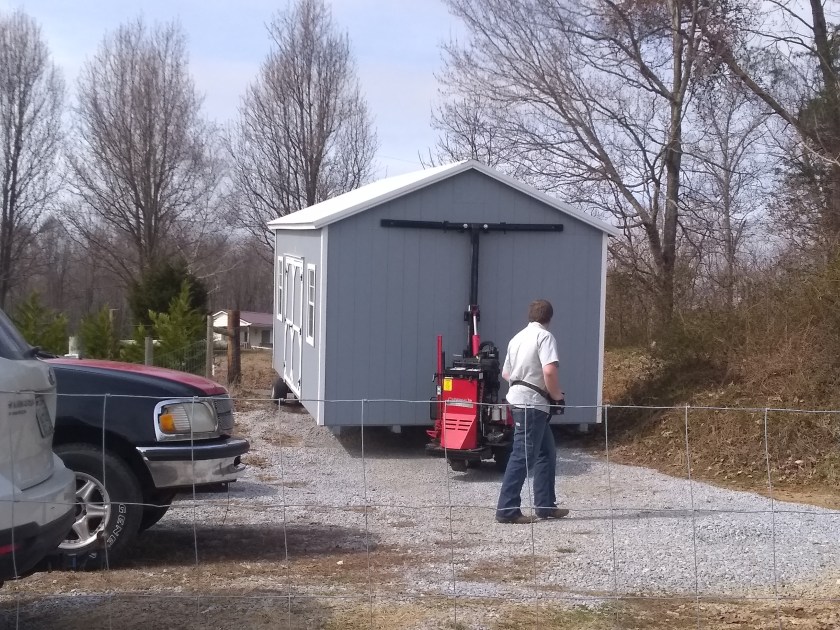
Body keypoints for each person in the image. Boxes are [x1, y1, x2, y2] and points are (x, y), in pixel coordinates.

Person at [495, 299, 570, 524]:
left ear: (530, 316)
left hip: (520, 400)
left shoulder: (516, 338)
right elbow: (549, 371)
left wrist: (523, 382)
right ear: (549, 318)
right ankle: (507, 509)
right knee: (522, 455)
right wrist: (557, 396)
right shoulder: (544, 337)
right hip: (533, 404)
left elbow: (506, 374)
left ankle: (545, 506)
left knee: (546, 452)